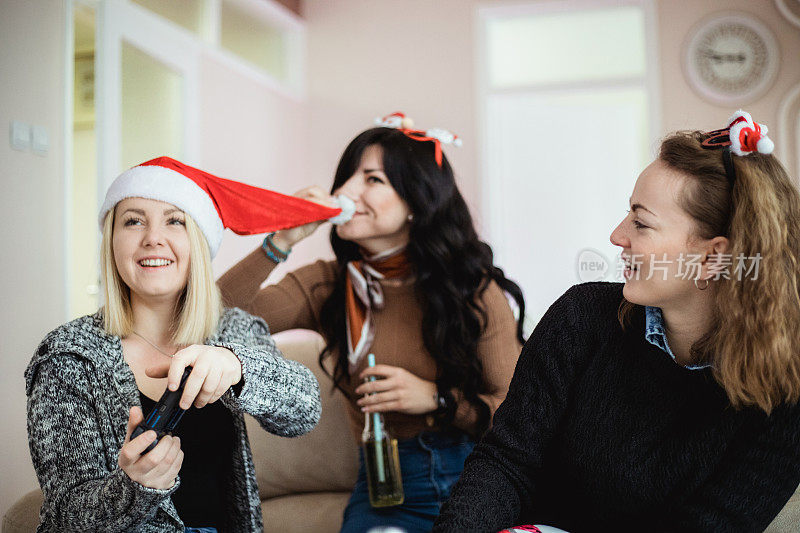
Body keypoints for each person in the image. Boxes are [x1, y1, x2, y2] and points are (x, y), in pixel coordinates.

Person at [433, 111, 800, 532]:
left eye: (641, 223)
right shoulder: (582, 317)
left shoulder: (786, 391)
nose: (617, 236)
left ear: (713, 257)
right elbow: (506, 461)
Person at [217, 113, 527, 532]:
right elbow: (213, 317)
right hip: (382, 485)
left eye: (372, 179)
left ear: (417, 202)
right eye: (345, 178)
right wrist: (281, 240)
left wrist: (437, 399)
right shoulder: (329, 284)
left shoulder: (472, 289)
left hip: (468, 477)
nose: (344, 192)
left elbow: (515, 417)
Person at [25, 157, 336, 532]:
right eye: (133, 220)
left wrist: (238, 368)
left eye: (175, 221)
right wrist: (133, 488)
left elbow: (304, 411)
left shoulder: (232, 330)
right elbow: (64, 517)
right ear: (112, 244)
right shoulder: (68, 356)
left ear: (199, 242)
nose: (153, 237)